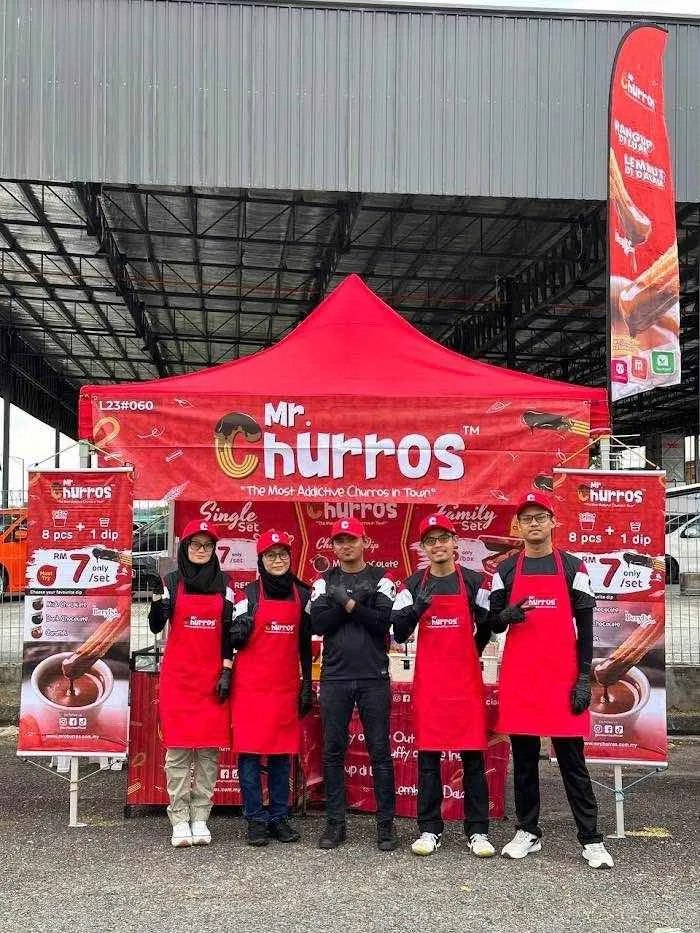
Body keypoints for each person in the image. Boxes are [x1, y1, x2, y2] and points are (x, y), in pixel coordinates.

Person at [489, 491, 614, 869]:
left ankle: (591, 839)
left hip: (562, 678)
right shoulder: (505, 571)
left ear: (552, 522)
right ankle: (527, 831)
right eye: (527, 518)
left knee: (572, 760)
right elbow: (492, 621)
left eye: (540, 517)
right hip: (521, 678)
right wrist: (505, 616)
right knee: (525, 760)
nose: (534, 524)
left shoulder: (575, 568)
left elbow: (587, 628)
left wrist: (583, 679)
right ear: (518, 526)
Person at [392, 513, 495, 858]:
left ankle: (478, 831)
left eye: (443, 539)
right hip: (431, 685)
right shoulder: (411, 586)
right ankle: (429, 828)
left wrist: (473, 650)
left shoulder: (475, 582)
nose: (437, 545)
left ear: (455, 543)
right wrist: (414, 611)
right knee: (428, 759)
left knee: (473, 758)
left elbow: (489, 624)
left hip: (465, 683)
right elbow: (398, 633)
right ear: (423, 548)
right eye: (430, 541)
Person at [309, 516, 397, 851]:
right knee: (333, 752)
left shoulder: (382, 578)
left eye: (352, 539)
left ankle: (385, 826)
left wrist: (345, 603)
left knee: (380, 752)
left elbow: (383, 623)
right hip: (334, 677)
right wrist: (358, 605)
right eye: (339, 541)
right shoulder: (323, 581)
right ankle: (335, 825)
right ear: (333, 546)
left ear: (364, 542)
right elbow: (319, 624)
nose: (346, 546)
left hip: (374, 677)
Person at [149, 519, 233, 848]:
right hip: (179, 678)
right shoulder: (171, 581)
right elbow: (156, 626)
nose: (201, 550)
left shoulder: (225, 584)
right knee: (179, 751)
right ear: (185, 548)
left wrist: (226, 671)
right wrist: (157, 607)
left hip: (212, 679)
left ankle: (201, 817)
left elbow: (229, 634)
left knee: (209, 752)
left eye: (207, 545)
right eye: (196, 545)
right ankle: (179, 818)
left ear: (214, 550)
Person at [229, 530, 313, 847]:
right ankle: (255, 819)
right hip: (250, 687)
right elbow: (232, 637)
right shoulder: (248, 595)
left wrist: (307, 684)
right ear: (261, 560)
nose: (277, 560)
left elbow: (305, 644)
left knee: (281, 755)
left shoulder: (302, 595)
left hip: (285, 686)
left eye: (282, 555)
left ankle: (279, 817)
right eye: (270, 555)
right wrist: (238, 631)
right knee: (250, 755)